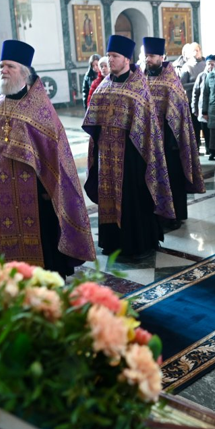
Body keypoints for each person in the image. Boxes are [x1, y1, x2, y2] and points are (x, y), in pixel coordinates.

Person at [0, 40, 96, 276]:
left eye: (10, 66)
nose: (3, 70)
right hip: (4, 189)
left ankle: (49, 277)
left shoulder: (40, 109)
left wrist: (48, 187)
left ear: (24, 72)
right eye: (1, 66)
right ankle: (16, 277)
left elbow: (55, 153)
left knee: (43, 238)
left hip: (37, 191)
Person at [83, 35, 175, 261]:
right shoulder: (104, 85)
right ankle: (111, 241)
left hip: (133, 153)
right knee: (109, 196)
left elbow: (147, 124)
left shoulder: (138, 84)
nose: (110, 60)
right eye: (109, 56)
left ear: (127, 59)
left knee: (132, 197)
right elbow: (93, 120)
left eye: (114, 56)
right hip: (106, 154)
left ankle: (137, 243)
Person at [143, 37, 206, 231]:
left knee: (172, 180)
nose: (148, 60)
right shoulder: (140, 79)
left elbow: (179, 112)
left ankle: (175, 216)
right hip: (147, 141)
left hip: (169, 142)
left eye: (152, 56)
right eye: (146, 56)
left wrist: (172, 139)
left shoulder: (171, 81)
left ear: (162, 57)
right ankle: (155, 213)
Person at [179, 43, 207, 153]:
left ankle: (210, 148)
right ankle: (196, 148)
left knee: (205, 126)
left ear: (200, 50)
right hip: (192, 100)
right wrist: (196, 84)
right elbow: (182, 84)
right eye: (193, 51)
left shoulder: (206, 64)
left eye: (197, 50)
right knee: (195, 126)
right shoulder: (187, 66)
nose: (195, 53)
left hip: (205, 100)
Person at [191, 54, 215, 158]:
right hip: (203, 109)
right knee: (206, 132)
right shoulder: (201, 76)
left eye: (212, 64)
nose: (210, 66)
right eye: (208, 64)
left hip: (214, 110)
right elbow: (195, 93)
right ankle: (209, 151)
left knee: (214, 133)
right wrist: (194, 107)